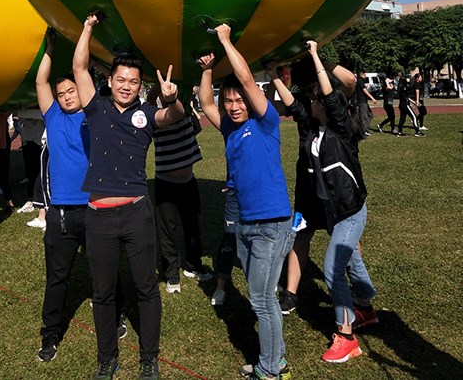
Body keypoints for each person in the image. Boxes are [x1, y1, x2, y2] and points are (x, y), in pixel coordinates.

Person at [73, 13, 185, 380]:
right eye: (120, 79)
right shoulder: (96, 106)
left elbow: (176, 116)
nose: (126, 86)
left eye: (133, 82)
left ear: (141, 86)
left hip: (137, 213)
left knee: (146, 289)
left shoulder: (148, 113)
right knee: (103, 293)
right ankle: (107, 358)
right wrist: (88, 28)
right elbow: (78, 66)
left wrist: (173, 98)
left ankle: (148, 357)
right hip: (99, 216)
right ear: (110, 80)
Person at [198, 25, 294, 380]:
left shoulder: (266, 121)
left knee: (261, 299)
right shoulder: (228, 128)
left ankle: (270, 369)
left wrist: (225, 41)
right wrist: (207, 70)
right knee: (263, 296)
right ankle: (276, 358)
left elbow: (249, 83)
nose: (235, 106)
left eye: (240, 101)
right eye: (231, 101)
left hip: (271, 222)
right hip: (245, 220)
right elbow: (206, 102)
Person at [273, 41, 376, 364]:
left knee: (333, 267)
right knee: (350, 262)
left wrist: (316, 55)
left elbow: (333, 96)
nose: (313, 101)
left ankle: (346, 336)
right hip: (331, 208)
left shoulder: (341, 129)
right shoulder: (312, 129)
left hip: (350, 210)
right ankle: (366, 308)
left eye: (317, 98)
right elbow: (293, 106)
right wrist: (273, 76)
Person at [265, 58, 356, 318]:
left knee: (346, 239)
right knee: (301, 234)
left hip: (336, 184)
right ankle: (291, 293)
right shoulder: (306, 105)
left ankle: (359, 292)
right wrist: (274, 76)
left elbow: (350, 80)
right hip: (308, 180)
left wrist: (318, 55)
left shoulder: (335, 103)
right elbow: (280, 105)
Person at [35, 28, 97, 362]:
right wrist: (50, 49)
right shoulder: (54, 116)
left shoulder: (92, 114)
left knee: (103, 270)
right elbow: (40, 84)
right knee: (57, 277)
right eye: (62, 93)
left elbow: (82, 71)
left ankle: (112, 315)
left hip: (94, 208)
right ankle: (50, 333)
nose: (67, 96)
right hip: (60, 213)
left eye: (71, 91)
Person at [147, 85, 210, 294]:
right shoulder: (156, 119)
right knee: (167, 230)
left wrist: (183, 91)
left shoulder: (185, 115)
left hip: (188, 182)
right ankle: (171, 273)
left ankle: (193, 264)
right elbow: (148, 103)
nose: (167, 96)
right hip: (165, 184)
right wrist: (157, 86)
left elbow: (190, 97)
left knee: (194, 225)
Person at [353, 71, 377, 137]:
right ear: (361, 74)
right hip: (362, 101)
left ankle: (365, 128)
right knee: (364, 116)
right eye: (364, 74)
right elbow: (365, 90)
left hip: (364, 101)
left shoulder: (361, 81)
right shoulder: (360, 81)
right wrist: (372, 98)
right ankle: (363, 131)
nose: (365, 75)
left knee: (370, 115)